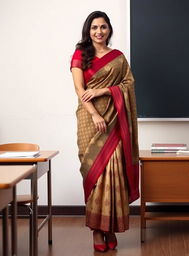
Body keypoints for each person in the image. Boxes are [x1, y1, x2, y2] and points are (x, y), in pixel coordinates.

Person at [70, 11, 139, 252]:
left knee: (114, 173)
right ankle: (97, 231)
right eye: (94, 27)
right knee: (95, 174)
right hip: (90, 120)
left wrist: (104, 91)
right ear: (88, 31)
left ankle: (109, 228)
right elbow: (79, 89)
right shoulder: (81, 54)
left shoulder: (118, 58)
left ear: (109, 30)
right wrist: (95, 113)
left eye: (103, 27)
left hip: (115, 119)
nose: (99, 31)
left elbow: (128, 84)